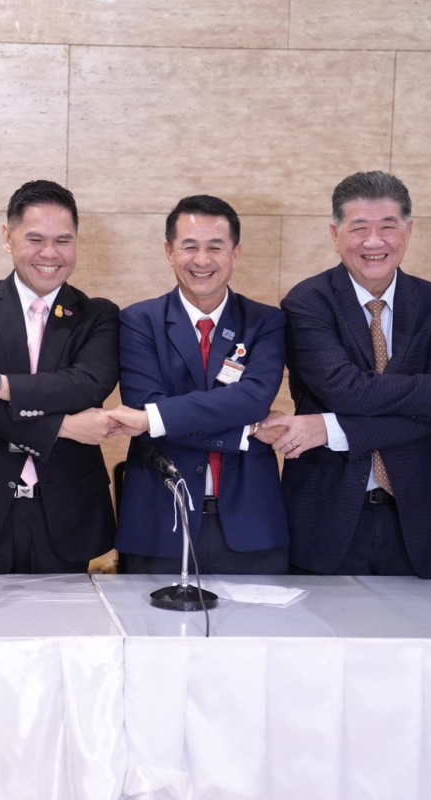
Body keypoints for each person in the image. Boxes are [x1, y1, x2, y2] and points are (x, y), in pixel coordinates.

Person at [268, 171, 431, 578]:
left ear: (408, 232)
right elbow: (346, 391)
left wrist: (329, 429)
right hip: (327, 510)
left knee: (422, 621)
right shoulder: (307, 303)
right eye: (359, 228)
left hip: (420, 512)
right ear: (335, 234)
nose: (374, 242)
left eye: (388, 227)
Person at [0, 180, 120, 573]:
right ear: (8, 237)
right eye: (35, 239)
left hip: (68, 511)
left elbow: (86, 386)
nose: (50, 253)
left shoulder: (98, 315)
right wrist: (66, 427)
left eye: (63, 240)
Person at [109, 195, 289, 574]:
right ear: (169, 252)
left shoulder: (266, 322)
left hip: (251, 521)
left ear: (236, 254)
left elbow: (253, 399)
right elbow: (145, 406)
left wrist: (158, 419)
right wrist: (246, 431)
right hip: (160, 519)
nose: (202, 260)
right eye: (189, 246)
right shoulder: (139, 321)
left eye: (215, 247)